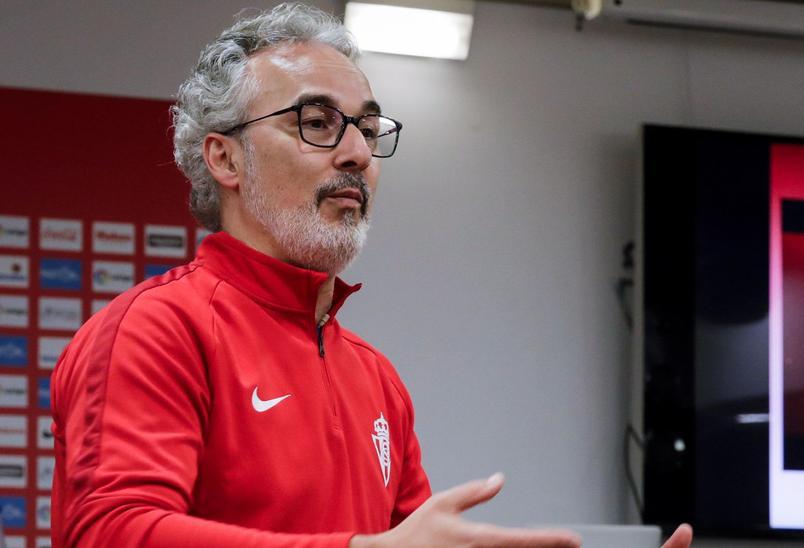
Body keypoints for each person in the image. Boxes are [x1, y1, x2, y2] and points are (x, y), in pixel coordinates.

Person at [50, 4, 694, 547]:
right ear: (225, 158)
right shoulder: (154, 330)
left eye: (366, 126)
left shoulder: (376, 377)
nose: (357, 153)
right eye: (318, 122)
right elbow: (111, 531)